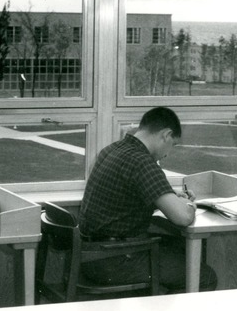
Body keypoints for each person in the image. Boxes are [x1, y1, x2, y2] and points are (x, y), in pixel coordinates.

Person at [78, 106, 217, 292]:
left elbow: (131, 193)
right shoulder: (142, 162)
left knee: (178, 247)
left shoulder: (112, 150)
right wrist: (189, 204)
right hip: (114, 260)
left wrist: (171, 197)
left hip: (92, 254)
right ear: (166, 135)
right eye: (172, 145)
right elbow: (183, 217)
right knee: (204, 277)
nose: (168, 154)